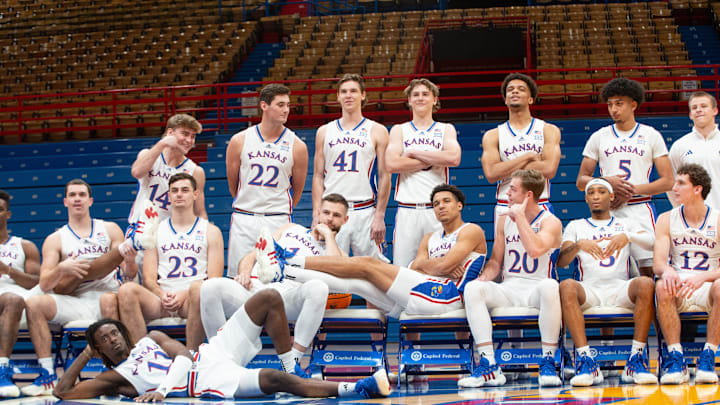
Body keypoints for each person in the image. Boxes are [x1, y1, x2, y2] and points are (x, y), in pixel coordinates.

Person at [52, 290, 391, 400]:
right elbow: (63, 393)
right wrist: (85, 354)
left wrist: (163, 390)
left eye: (114, 333)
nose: (113, 339)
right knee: (276, 382)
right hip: (206, 382)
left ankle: (293, 361)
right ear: (100, 350)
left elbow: (183, 352)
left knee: (268, 298)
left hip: (210, 353)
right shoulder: (117, 379)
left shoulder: (150, 339)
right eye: (104, 340)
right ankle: (356, 389)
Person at [257, 184, 486, 317]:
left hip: (447, 296)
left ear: (459, 205)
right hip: (423, 291)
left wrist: (432, 265)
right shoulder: (430, 237)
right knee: (356, 284)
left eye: (446, 201)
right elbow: (416, 266)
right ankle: (283, 271)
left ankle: (289, 259)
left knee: (365, 264)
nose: (441, 206)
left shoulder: (471, 230)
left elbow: (442, 266)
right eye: (436, 204)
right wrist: (431, 266)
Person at [21, 179, 158, 396]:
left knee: (108, 296)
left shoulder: (109, 229)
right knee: (35, 303)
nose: (77, 199)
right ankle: (47, 375)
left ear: (90, 200)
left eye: (82, 195)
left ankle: (118, 369)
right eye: (73, 195)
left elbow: (129, 273)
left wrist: (131, 261)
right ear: (65, 201)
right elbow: (45, 283)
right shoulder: (55, 239)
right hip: (75, 299)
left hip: (107, 297)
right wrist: (62, 268)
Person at [199, 194, 354, 371]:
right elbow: (253, 255)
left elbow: (334, 266)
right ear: (318, 213)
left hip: (286, 300)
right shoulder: (290, 228)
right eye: (326, 212)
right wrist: (244, 272)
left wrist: (327, 235)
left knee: (319, 287)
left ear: (345, 220)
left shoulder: (340, 255)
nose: (329, 218)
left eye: (336, 215)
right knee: (210, 287)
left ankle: (291, 364)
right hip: (253, 291)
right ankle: (220, 358)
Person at [458, 169, 563, 388]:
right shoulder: (503, 221)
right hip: (510, 287)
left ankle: (548, 361)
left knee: (551, 286)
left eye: (513, 190)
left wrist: (521, 217)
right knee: (473, 289)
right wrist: (484, 278)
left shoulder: (550, 222)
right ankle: (489, 365)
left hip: (537, 289)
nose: (507, 194)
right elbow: (496, 262)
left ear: (529, 196)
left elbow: (535, 249)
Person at [557, 178, 657, 386]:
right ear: (585, 198)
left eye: (601, 192)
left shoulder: (626, 224)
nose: (595, 196)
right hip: (590, 289)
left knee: (646, 283)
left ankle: (635, 360)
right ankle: (586, 361)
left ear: (611, 197)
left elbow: (652, 243)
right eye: (591, 192)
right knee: (566, 286)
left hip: (619, 287)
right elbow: (562, 261)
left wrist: (628, 236)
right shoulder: (576, 226)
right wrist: (578, 245)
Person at [577, 77, 673, 275]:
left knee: (649, 272)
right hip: (609, 211)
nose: (613, 109)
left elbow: (668, 181)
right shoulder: (599, 136)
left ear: (633, 104)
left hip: (641, 209)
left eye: (619, 103)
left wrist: (630, 190)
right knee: (612, 270)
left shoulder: (651, 135)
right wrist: (606, 183)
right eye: (610, 104)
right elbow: (581, 181)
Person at [117, 173, 223, 351]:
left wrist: (184, 294)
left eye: (184, 190)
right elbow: (149, 279)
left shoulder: (211, 231)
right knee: (127, 290)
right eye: (174, 191)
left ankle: (191, 357)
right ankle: (143, 355)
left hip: (192, 299)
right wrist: (161, 294)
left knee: (200, 291)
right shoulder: (156, 230)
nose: (179, 194)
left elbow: (213, 280)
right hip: (162, 300)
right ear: (168, 196)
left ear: (195, 194)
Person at [225, 83, 309, 276]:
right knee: (239, 277)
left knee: (275, 278)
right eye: (280, 104)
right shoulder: (239, 140)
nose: (286, 109)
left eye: (288, 105)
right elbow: (234, 185)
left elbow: (297, 190)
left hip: (277, 219)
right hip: (245, 217)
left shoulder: (297, 146)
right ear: (264, 106)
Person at [654, 164, 720, 385]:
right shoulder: (666, 218)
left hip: (707, 286)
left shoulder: (717, 219)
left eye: (681, 183)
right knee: (662, 285)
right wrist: (668, 269)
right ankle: (676, 358)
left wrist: (704, 277)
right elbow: (658, 263)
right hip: (679, 285)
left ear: (697, 189)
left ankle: (708, 356)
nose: (675, 188)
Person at [312, 74, 390, 260]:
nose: (348, 95)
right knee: (332, 271)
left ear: (363, 95)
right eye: (344, 92)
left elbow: (384, 175)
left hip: (365, 210)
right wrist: (317, 213)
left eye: (353, 91)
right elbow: (317, 176)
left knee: (372, 272)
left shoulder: (377, 130)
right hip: (333, 213)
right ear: (338, 97)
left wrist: (379, 215)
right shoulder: (324, 131)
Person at [385, 78, 462, 267]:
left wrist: (413, 153)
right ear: (409, 101)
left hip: (436, 210)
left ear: (435, 100)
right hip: (407, 210)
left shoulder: (445, 129)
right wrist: (432, 159)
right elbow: (392, 163)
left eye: (425, 94)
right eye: (415, 95)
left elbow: (453, 158)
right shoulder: (399, 130)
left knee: (440, 266)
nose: (420, 98)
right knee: (403, 268)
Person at [481, 73, 562, 232]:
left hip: (540, 204)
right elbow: (491, 173)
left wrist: (505, 168)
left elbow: (549, 170)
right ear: (505, 99)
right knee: (506, 257)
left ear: (531, 99)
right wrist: (528, 157)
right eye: (510, 90)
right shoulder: (493, 135)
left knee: (541, 254)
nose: (514, 92)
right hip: (506, 205)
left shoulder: (548, 130)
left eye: (521, 89)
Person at [127, 114, 207, 273]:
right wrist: (161, 144)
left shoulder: (195, 171)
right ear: (170, 133)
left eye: (193, 136)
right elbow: (136, 172)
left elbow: (199, 212)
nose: (190, 140)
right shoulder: (149, 156)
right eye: (185, 134)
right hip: (140, 229)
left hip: (169, 235)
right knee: (132, 282)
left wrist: (204, 237)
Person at [0, 190, 41, 398]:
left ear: (8, 214)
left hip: (15, 302)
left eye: (0, 210)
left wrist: (7, 269)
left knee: (13, 300)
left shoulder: (24, 246)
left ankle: (2, 369)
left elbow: (36, 282)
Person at [667, 91, 720, 209]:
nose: (699, 110)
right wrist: (680, 210)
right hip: (693, 218)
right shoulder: (680, 146)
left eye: (704, 106)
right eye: (694, 107)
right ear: (690, 114)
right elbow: (671, 183)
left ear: (715, 111)